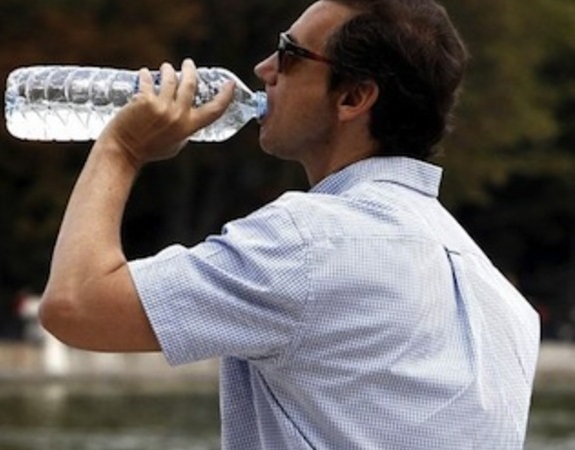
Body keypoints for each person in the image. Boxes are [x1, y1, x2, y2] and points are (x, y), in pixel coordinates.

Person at [38, 0, 541, 448]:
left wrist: (121, 149)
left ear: (353, 98)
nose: (264, 69)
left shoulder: (309, 242)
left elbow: (75, 304)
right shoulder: (500, 297)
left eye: (290, 54)